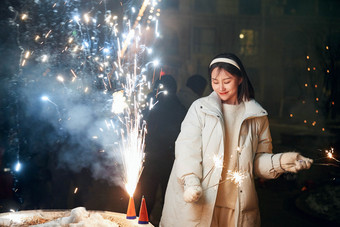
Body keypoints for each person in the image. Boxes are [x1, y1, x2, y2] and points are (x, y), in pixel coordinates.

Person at [159, 53, 313, 227]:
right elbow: (187, 149)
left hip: (236, 207)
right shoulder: (200, 109)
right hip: (199, 200)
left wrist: (283, 162)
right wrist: (191, 182)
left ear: (240, 79)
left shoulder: (256, 116)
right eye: (215, 81)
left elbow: (255, 164)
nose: (220, 87)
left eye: (227, 81)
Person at [139, 74, 187, 225]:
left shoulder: (152, 104)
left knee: (146, 194)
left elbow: (142, 126)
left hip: (155, 156)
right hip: (168, 157)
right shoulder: (179, 107)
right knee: (168, 195)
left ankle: (142, 221)